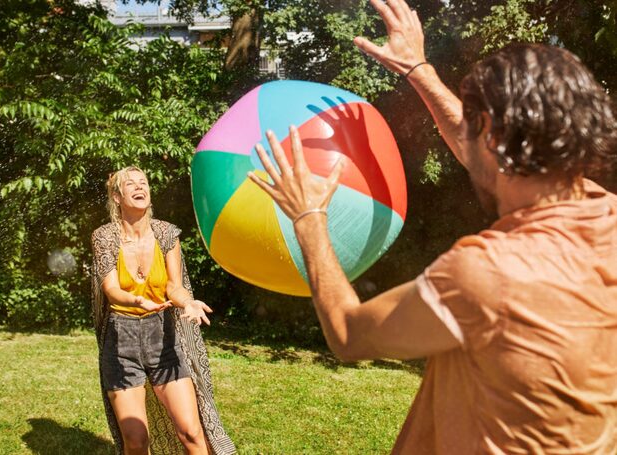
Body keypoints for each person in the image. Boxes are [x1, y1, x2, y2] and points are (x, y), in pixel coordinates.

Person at [248, 0, 617, 453]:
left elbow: (349, 334)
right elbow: (481, 148)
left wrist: (307, 218)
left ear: (494, 139)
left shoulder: (488, 276)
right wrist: (419, 70)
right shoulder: (605, 218)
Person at [91, 166, 235, 455]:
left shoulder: (166, 233)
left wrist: (187, 302)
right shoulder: (104, 236)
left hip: (163, 338)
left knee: (191, 432)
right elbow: (111, 288)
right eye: (130, 184)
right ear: (117, 197)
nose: (139, 187)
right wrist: (137, 301)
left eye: (143, 182)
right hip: (122, 342)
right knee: (136, 440)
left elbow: (174, 286)